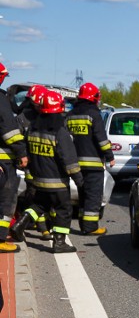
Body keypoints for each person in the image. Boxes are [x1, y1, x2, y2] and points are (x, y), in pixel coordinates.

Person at [10, 91, 83, 254]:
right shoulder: (60, 132)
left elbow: (27, 153)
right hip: (57, 181)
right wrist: (79, 180)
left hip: (38, 179)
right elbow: (69, 160)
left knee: (39, 205)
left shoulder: (32, 129)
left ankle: (20, 224)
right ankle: (59, 242)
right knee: (64, 210)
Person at [66, 82, 114, 235]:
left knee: (82, 195)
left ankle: (83, 224)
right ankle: (91, 227)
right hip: (93, 164)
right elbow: (101, 139)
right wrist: (110, 156)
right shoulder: (94, 114)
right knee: (93, 196)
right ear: (94, 98)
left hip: (75, 163)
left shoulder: (70, 115)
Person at [15, 85, 51, 239]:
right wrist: (23, 156)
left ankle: (43, 226)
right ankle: (42, 228)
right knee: (35, 195)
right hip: (31, 165)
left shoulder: (46, 115)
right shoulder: (23, 118)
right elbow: (17, 141)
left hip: (45, 164)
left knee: (44, 196)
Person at [0, 62, 29, 253]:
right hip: (3, 160)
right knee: (5, 200)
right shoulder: (1, 100)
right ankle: (1, 239)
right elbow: (8, 129)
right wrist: (21, 152)